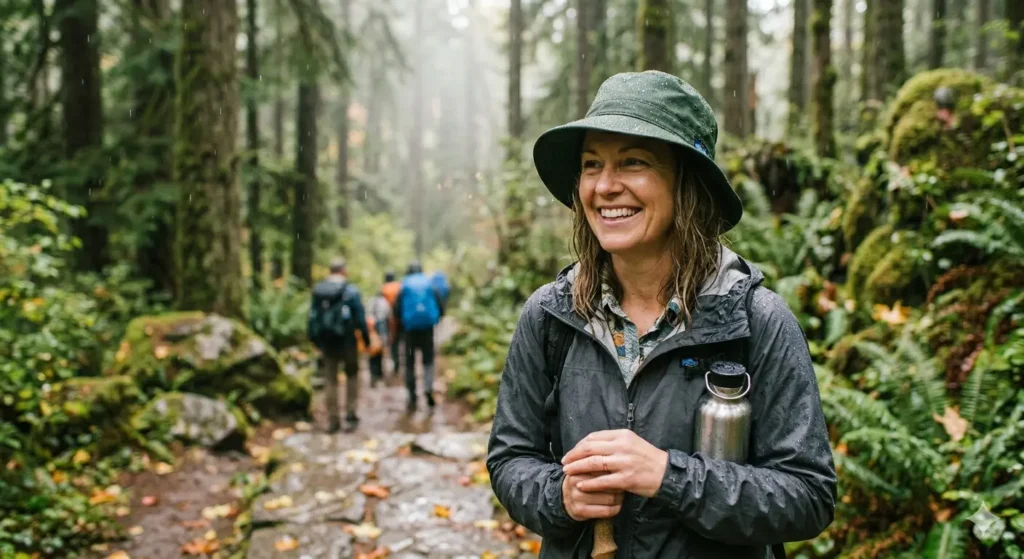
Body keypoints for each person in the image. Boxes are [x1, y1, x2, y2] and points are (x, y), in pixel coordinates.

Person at [486, 71, 836, 558]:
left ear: (686, 182)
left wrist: (668, 476)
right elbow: (510, 459)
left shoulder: (756, 320)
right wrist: (559, 495)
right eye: (591, 164)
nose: (605, 186)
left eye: (633, 162)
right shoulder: (551, 315)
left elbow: (809, 496)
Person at [307, 259, 369, 433]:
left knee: (330, 379)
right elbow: (360, 317)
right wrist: (365, 339)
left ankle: (333, 420)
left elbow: (312, 317)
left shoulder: (319, 291)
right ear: (343, 271)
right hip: (347, 340)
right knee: (352, 375)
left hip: (327, 341)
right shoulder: (350, 290)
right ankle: (350, 414)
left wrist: (315, 340)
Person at [393, 260, 445, 411]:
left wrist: (402, 325)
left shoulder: (404, 285)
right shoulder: (429, 283)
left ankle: (412, 395)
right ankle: (428, 388)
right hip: (427, 330)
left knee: (409, 363)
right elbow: (440, 307)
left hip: (409, 332)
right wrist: (435, 321)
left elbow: (396, 310)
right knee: (428, 360)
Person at [366, 287, 392, 387]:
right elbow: (388, 318)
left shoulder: (371, 302)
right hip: (381, 331)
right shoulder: (384, 302)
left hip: (372, 332)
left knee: (372, 355)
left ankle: (373, 375)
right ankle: (379, 375)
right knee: (380, 355)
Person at [380, 271, 402, 375]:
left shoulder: (383, 288)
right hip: (400, 318)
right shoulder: (399, 286)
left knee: (392, 342)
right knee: (400, 340)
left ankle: (394, 362)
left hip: (388, 318)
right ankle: (399, 363)